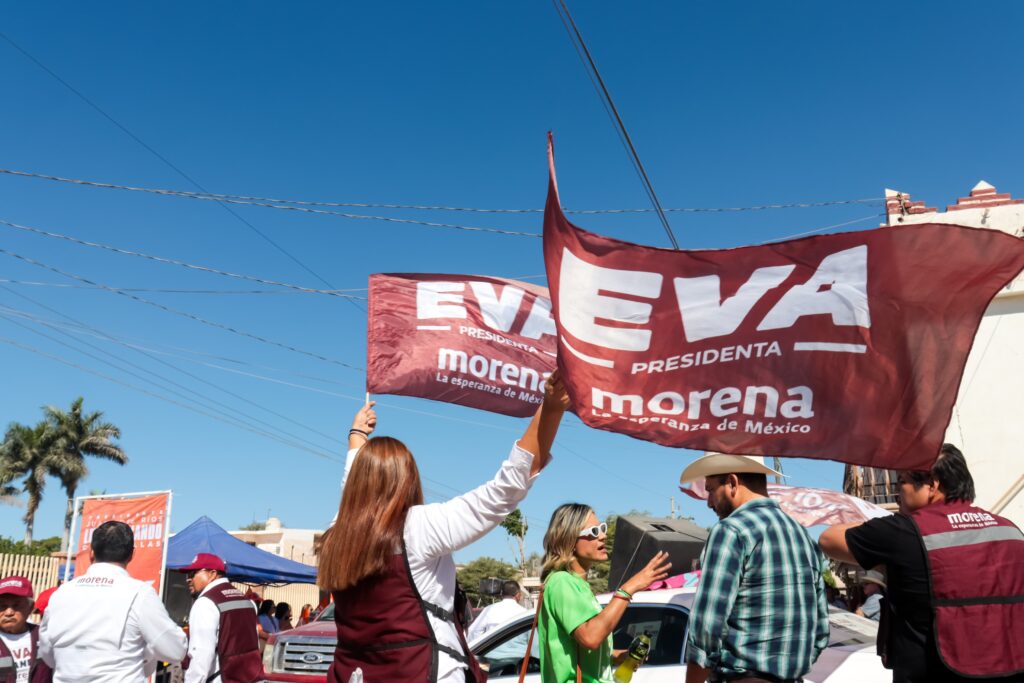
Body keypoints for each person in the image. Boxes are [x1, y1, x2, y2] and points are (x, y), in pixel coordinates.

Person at [318, 371, 571, 683]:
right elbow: (505, 490)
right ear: (407, 480)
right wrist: (550, 409)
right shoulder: (417, 528)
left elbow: (351, 487)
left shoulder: (336, 535)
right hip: (423, 673)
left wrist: (357, 435)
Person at [819, 444, 1024, 682]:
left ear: (932, 484)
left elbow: (828, 539)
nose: (898, 492)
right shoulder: (1011, 530)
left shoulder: (904, 532)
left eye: (902, 482)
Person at [680, 452, 828, 683]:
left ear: (732, 482)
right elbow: (820, 632)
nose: (709, 502)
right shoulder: (802, 535)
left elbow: (707, 628)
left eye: (710, 490)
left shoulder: (731, 531)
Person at [537, 503, 671, 683]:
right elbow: (591, 637)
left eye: (601, 529)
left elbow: (581, 651)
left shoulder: (578, 585)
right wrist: (628, 589)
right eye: (593, 532)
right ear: (569, 540)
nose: (602, 536)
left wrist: (616, 656)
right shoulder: (561, 582)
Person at [38, 520, 186, 682]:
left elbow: (48, 655)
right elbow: (175, 650)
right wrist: (145, 650)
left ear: (91, 552)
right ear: (132, 555)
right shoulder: (140, 594)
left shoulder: (61, 594)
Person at [178, 553, 261, 683]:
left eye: (192, 573)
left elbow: (201, 655)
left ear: (212, 574)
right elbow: (254, 644)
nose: (188, 579)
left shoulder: (205, 603)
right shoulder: (247, 601)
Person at [0, 576, 52, 683]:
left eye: (17, 605)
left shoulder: (45, 636)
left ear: (30, 607)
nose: (9, 613)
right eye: (2, 606)